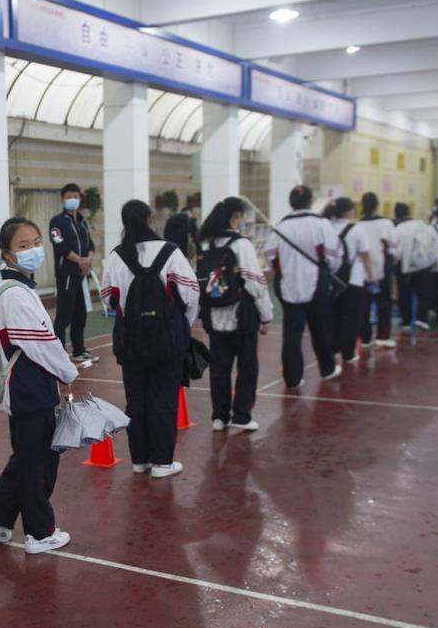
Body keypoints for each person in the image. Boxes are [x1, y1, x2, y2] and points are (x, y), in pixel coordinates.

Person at [0, 218, 78, 553]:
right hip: (30, 388)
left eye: (37, 242)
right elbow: (42, 345)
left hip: (24, 387)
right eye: (23, 246)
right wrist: (68, 371)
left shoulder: (18, 290)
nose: (34, 250)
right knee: (38, 463)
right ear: (7, 254)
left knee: (24, 458)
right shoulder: (17, 295)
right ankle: (39, 533)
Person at [102, 200, 200, 477]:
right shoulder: (171, 252)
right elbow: (191, 294)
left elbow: (109, 300)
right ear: (149, 219)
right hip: (167, 341)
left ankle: (140, 460)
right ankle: (163, 462)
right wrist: (183, 326)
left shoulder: (116, 256)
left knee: (136, 399)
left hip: (130, 341)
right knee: (164, 399)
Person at [196, 197, 274, 432]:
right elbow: (255, 283)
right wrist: (266, 315)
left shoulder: (206, 243)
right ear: (236, 215)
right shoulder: (242, 245)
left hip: (214, 317)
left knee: (219, 368)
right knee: (247, 367)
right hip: (241, 316)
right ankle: (242, 415)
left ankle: (220, 417)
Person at [263, 185, 344, 388]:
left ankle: (292, 377)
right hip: (317, 284)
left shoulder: (280, 228)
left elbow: (270, 256)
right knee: (321, 329)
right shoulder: (321, 224)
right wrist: (328, 271)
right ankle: (327, 369)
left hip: (287, 285)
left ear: (291, 203)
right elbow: (335, 255)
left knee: (292, 333)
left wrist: (285, 271)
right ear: (310, 201)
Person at [323, 196, 374, 364]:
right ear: (349, 210)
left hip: (332, 280)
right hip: (354, 280)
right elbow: (365, 255)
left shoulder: (327, 227)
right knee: (352, 317)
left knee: (334, 316)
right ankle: (348, 353)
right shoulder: (356, 229)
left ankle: (333, 348)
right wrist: (371, 276)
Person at [49, 183, 96, 363]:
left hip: (81, 275)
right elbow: (60, 245)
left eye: (75, 196)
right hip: (67, 275)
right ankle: (58, 353)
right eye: (69, 196)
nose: (72, 200)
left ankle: (79, 350)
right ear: (62, 199)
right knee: (64, 315)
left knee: (80, 314)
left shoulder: (82, 222)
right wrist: (79, 260)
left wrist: (88, 259)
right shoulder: (57, 222)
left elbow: (90, 244)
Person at [355, 192, 398, 348]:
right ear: (377, 205)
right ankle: (383, 336)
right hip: (382, 267)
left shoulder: (358, 225)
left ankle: (365, 338)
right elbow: (394, 246)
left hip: (362, 270)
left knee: (363, 304)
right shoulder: (386, 224)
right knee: (384, 303)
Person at [393, 202, 433, 330]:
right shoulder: (421, 225)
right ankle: (422, 319)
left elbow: (396, 251)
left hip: (404, 267)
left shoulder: (397, 229)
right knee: (424, 293)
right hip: (423, 265)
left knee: (404, 294)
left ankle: (405, 321)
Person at [164, 192, 201, 256]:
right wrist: (200, 252)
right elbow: (195, 237)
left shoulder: (170, 219)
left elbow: (165, 234)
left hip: (171, 249)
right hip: (184, 249)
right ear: (190, 213)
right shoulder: (190, 221)